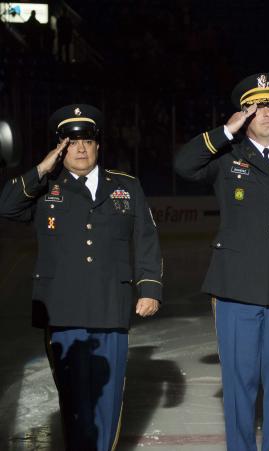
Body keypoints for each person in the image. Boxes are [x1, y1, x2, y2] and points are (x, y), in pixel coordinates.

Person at [174, 73, 269, 451]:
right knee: (240, 382)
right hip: (235, 285)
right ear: (244, 115)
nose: (266, 113)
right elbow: (183, 164)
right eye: (256, 107)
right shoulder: (227, 156)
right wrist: (225, 131)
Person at [0, 104, 163, 451]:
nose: (81, 148)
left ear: (98, 145)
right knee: (75, 406)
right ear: (60, 148)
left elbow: (146, 239)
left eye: (87, 140)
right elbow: (7, 206)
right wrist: (42, 168)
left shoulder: (126, 187)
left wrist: (149, 288)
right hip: (62, 311)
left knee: (107, 405)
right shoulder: (46, 187)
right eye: (71, 142)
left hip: (110, 307)